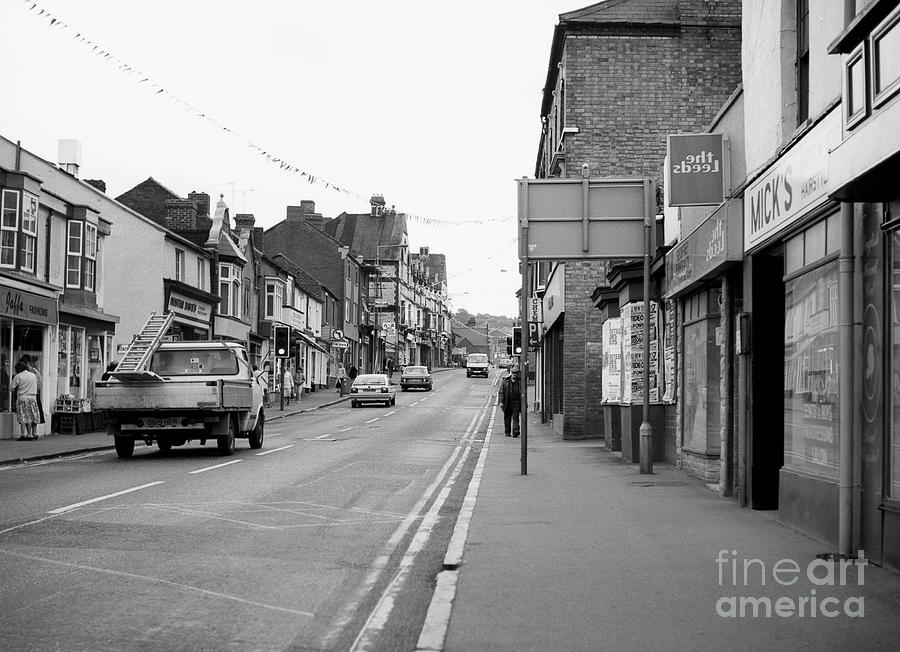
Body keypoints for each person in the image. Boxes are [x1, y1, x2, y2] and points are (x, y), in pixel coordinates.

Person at [11, 361, 40, 440]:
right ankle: (31, 434)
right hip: (33, 398)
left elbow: (12, 388)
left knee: (23, 417)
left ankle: (23, 434)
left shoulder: (18, 376)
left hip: (22, 398)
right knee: (31, 416)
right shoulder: (33, 375)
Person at [498, 366, 524, 438]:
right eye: (513, 373)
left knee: (515, 417)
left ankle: (515, 431)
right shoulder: (505, 381)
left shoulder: (520, 382)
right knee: (507, 417)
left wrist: (524, 404)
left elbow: (523, 393)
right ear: (510, 373)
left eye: (516, 373)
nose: (514, 374)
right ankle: (507, 431)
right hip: (507, 402)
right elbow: (501, 392)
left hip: (516, 402)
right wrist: (501, 401)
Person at [21, 355, 44, 425]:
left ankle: (32, 433)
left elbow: (39, 384)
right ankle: (32, 433)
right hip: (33, 394)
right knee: (33, 415)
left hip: (32, 394)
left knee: (33, 415)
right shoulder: (33, 372)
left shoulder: (32, 372)